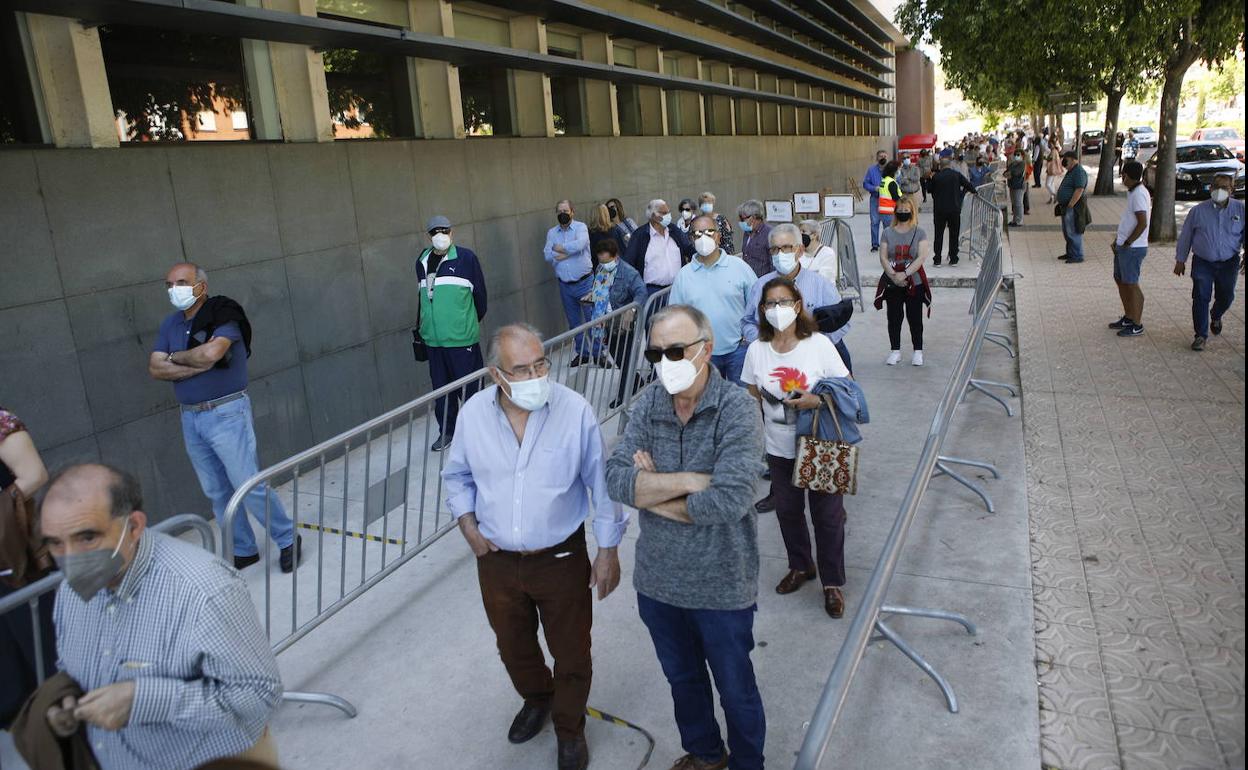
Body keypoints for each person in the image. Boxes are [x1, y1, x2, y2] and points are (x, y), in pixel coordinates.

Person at [441, 324, 627, 770]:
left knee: (571, 650)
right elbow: (457, 475)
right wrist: (467, 524)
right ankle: (537, 698)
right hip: (497, 559)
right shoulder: (472, 415)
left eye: (540, 363)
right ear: (495, 374)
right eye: (521, 369)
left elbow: (600, 485)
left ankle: (569, 729)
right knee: (513, 645)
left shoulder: (574, 410)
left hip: (560, 558)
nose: (536, 376)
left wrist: (607, 550)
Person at [605, 304, 766, 770]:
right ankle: (706, 754)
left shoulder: (736, 408)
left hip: (722, 584)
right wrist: (693, 479)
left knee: (735, 687)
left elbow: (730, 501)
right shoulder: (649, 402)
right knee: (682, 679)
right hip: (658, 583)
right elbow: (616, 479)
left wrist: (649, 491)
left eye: (676, 350)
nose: (664, 362)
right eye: (656, 353)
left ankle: (747, 764)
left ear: (706, 349)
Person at [40, 464, 282, 770]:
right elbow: (70, 666)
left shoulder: (205, 591)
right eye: (55, 543)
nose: (70, 559)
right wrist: (66, 700)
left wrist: (143, 700)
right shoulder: (68, 593)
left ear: (135, 526)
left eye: (87, 537)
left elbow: (260, 694)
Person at [148, 262, 299, 572]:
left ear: (200, 286)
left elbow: (211, 355)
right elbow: (154, 368)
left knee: (248, 484)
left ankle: (286, 538)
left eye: (181, 282)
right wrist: (194, 363)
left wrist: (175, 358)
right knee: (216, 490)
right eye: (168, 284)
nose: (173, 290)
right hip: (191, 418)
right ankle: (244, 548)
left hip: (226, 413)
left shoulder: (224, 314)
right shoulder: (170, 325)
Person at [740, 279, 851, 618]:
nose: (777, 309)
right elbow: (751, 393)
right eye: (770, 304)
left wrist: (817, 399)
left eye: (784, 302)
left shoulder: (817, 344)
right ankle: (801, 565)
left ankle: (832, 583)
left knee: (828, 517)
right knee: (788, 512)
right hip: (778, 446)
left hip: (821, 441)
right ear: (762, 310)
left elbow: (847, 389)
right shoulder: (757, 349)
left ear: (799, 305)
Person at [742, 223, 853, 515]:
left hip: (816, 379)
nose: (780, 254)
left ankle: (830, 504)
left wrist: (809, 346)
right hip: (775, 377)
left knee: (822, 432)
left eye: (786, 248)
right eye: (775, 249)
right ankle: (780, 493)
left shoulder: (819, 285)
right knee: (780, 440)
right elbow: (747, 323)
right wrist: (768, 343)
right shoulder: (760, 286)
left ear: (800, 250)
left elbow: (842, 322)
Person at [0, 408, 54, 731]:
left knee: (34, 633)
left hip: (13, 554)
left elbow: (34, 475)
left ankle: (55, 707)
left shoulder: (2, 422)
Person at [415, 215, 488, 451]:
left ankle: (479, 433)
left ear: (451, 232)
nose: (440, 235)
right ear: (429, 236)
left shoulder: (466, 258)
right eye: (435, 231)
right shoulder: (422, 261)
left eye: (444, 230)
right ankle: (447, 431)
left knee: (471, 390)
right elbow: (423, 299)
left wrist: (463, 324)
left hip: (461, 339)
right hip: (434, 341)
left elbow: (481, 299)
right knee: (441, 390)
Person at [669, 215, 758, 385]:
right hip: (702, 354)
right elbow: (676, 315)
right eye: (697, 234)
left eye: (709, 232)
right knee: (707, 405)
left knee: (742, 403)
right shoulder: (683, 276)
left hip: (739, 350)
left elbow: (756, 305)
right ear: (691, 239)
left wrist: (750, 336)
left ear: (718, 236)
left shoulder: (739, 267)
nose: (704, 238)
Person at [1175, 173, 1246, 351]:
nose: (1219, 191)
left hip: (1229, 262)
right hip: (1203, 262)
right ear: (1211, 188)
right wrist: (1180, 260)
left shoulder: (1240, 210)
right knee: (1200, 296)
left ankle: (1216, 314)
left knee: (1227, 295)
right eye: (1216, 186)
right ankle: (1200, 335)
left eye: (1224, 187)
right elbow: (1186, 237)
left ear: (1232, 190)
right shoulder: (1198, 211)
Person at [588, 239, 648, 409]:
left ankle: (623, 395)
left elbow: (641, 292)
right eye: (601, 261)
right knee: (617, 357)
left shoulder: (629, 273)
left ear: (616, 257)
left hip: (625, 323)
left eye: (607, 261)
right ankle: (636, 380)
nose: (603, 264)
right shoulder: (600, 269)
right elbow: (600, 289)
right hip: (607, 323)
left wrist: (633, 310)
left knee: (626, 358)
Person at [875, 196, 931, 366]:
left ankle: (918, 351)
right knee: (894, 317)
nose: (903, 213)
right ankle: (895, 350)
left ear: (912, 212)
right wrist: (894, 275)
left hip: (914, 281)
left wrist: (905, 274)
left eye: (906, 211)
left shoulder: (919, 232)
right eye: (900, 210)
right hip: (893, 282)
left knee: (915, 318)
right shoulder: (887, 232)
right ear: (895, 212)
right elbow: (883, 257)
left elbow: (922, 256)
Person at [544, 200, 600, 365]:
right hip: (565, 286)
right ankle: (582, 353)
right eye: (560, 211)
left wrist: (560, 249)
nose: (563, 213)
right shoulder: (551, 233)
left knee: (593, 321)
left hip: (585, 283)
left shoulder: (581, 227)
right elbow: (547, 255)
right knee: (574, 323)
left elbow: (581, 244)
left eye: (566, 210)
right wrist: (570, 252)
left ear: (572, 212)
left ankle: (599, 354)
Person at [1108, 161, 1151, 338]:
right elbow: (1129, 220)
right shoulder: (1133, 193)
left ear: (1130, 176)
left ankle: (1137, 323)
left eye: (1123, 175)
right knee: (1121, 280)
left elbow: (1142, 223)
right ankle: (1128, 316)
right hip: (1124, 246)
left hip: (1133, 248)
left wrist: (1127, 243)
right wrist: (1118, 241)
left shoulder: (1139, 194)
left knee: (1132, 284)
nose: (1122, 178)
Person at [623, 199, 695, 297]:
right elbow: (628, 264)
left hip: (677, 288)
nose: (668, 215)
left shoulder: (674, 230)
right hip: (652, 293)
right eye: (665, 213)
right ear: (653, 216)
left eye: (669, 212)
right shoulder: (640, 236)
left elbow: (690, 250)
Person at [927, 156, 977, 266]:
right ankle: (953, 258)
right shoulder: (956, 175)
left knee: (938, 234)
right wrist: (962, 195)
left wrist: (929, 179)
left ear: (940, 166)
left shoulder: (936, 177)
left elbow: (929, 189)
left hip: (939, 210)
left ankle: (937, 259)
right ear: (950, 165)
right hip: (954, 209)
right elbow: (969, 186)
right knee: (954, 234)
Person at [1056, 151, 1089, 263]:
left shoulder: (1079, 172)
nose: (1064, 162)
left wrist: (1071, 204)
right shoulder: (1072, 171)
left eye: (1066, 159)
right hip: (1066, 206)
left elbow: (1079, 189)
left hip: (1073, 207)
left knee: (1073, 231)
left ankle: (1077, 255)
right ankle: (1071, 253)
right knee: (1067, 231)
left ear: (1072, 159)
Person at [862, 149, 890, 251]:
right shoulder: (871, 170)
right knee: (874, 222)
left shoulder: (891, 169)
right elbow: (865, 184)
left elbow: (898, 182)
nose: (883, 158)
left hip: (888, 199)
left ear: (887, 157)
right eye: (880, 156)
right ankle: (875, 244)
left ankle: (888, 243)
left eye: (884, 156)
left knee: (888, 222)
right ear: (877, 158)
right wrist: (874, 188)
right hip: (875, 198)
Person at [737, 199, 772, 276]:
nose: (740, 221)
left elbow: (773, 263)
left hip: (763, 282)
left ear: (753, 217)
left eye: (742, 218)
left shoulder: (769, 234)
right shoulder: (747, 233)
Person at [798, 220, 838, 285]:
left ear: (814, 235)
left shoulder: (827, 253)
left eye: (803, 231)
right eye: (799, 232)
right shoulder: (797, 252)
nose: (800, 235)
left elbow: (823, 280)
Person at [1007, 150, 1028, 226]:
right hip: (1012, 185)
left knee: (1018, 203)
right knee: (1014, 203)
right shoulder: (1012, 163)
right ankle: (1014, 220)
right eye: (1015, 154)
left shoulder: (1022, 164)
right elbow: (1007, 171)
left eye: (1018, 154)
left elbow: (1016, 172)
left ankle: (1019, 221)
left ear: (1022, 156)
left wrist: (1011, 172)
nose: (1016, 156)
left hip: (1019, 186)